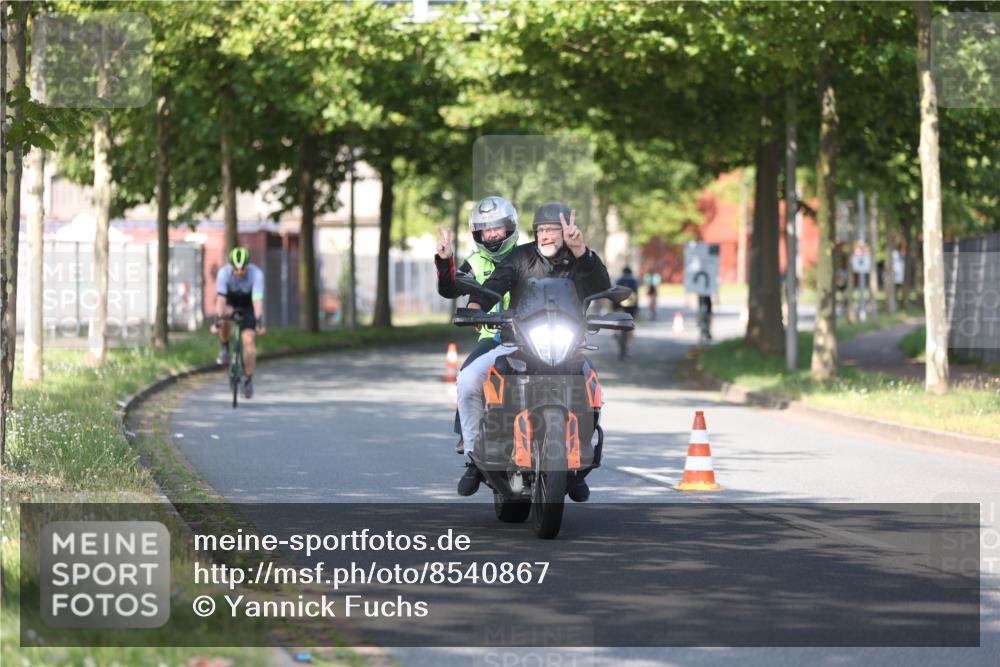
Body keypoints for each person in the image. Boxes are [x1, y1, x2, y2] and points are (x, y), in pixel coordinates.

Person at [455, 202, 611, 499]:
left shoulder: (580, 259)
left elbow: (601, 286)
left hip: (567, 347)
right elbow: (494, 285)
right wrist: (475, 307)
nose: (546, 235)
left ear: (566, 232)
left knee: (592, 386)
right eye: (541, 230)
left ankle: (574, 459)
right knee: (469, 380)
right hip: (518, 344)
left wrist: (581, 251)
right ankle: (474, 458)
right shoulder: (520, 257)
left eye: (552, 230)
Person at [434, 196, 519, 454]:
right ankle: (466, 437)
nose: (492, 234)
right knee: (468, 374)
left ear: (509, 227)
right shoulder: (475, 263)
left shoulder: (527, 256)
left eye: (497, 228)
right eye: (485, 230)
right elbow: (450, 288)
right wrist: (445, 260)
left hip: (531, 335)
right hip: (493, 336)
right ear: (478, 234)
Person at [211, 247, 266, 399]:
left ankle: (248, 380)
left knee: (249, 341)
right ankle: (224, 348)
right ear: (231, 266)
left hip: (248, 304)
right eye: (236, 269)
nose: (240, 272)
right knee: (224, 316)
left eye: (243, 269)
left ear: (248, 266)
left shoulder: (257, 274)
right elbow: (221, 299)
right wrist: (217, 320)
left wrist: (259, 321)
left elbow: (257, 300)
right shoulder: (223, 273)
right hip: (230, 301)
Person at [614, 267, 640, 358]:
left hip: (619, 304)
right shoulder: (634, 281)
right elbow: (636, 295)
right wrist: (637, 308)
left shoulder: (619, 280)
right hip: (631, 306)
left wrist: (614, 307)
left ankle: (616, 332)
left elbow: (614, 293)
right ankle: (630, 348)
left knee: (618, 322)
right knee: (630, 326)